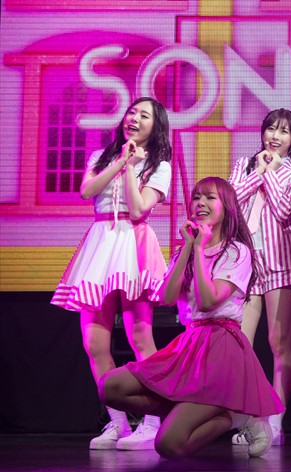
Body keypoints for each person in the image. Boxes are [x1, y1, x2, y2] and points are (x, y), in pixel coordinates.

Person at [98, 177, 283, 458]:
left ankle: (235, 417)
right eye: (196, 197)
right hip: (189, 345)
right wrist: (188, 247)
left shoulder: (236, 251)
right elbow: (167, 297)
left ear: (227, 208)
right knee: (110, 387)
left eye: (210, 197)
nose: (200, 203)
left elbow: (208, 302)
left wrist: (199, 249)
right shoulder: (183, 252)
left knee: (168, 444)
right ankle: (187, 410)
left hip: (221, 346)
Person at [51, 97, 172, 450]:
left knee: (140, 337)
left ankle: (152, 423)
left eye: (144, 115)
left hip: (133, 245)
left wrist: (132, 168)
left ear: (156, 126)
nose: (134, 118)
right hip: (100, 244)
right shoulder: (101, 156)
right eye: (132, 112)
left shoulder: (159, 165)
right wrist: (120, 161)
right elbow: (86, 191)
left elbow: (137, 209)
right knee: (94, 343)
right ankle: (118, 424)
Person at [228, 109, 291, 446]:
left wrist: (270, 172)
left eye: (284, 132)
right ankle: (250, 421)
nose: (275, 136)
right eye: (271, 129)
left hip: (279, 262)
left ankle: (276, 421)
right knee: (240, 344)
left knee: (278, 343)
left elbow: (284, 210)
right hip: (245, 264)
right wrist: (258, 170)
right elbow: (229, 202)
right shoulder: (245, 164)